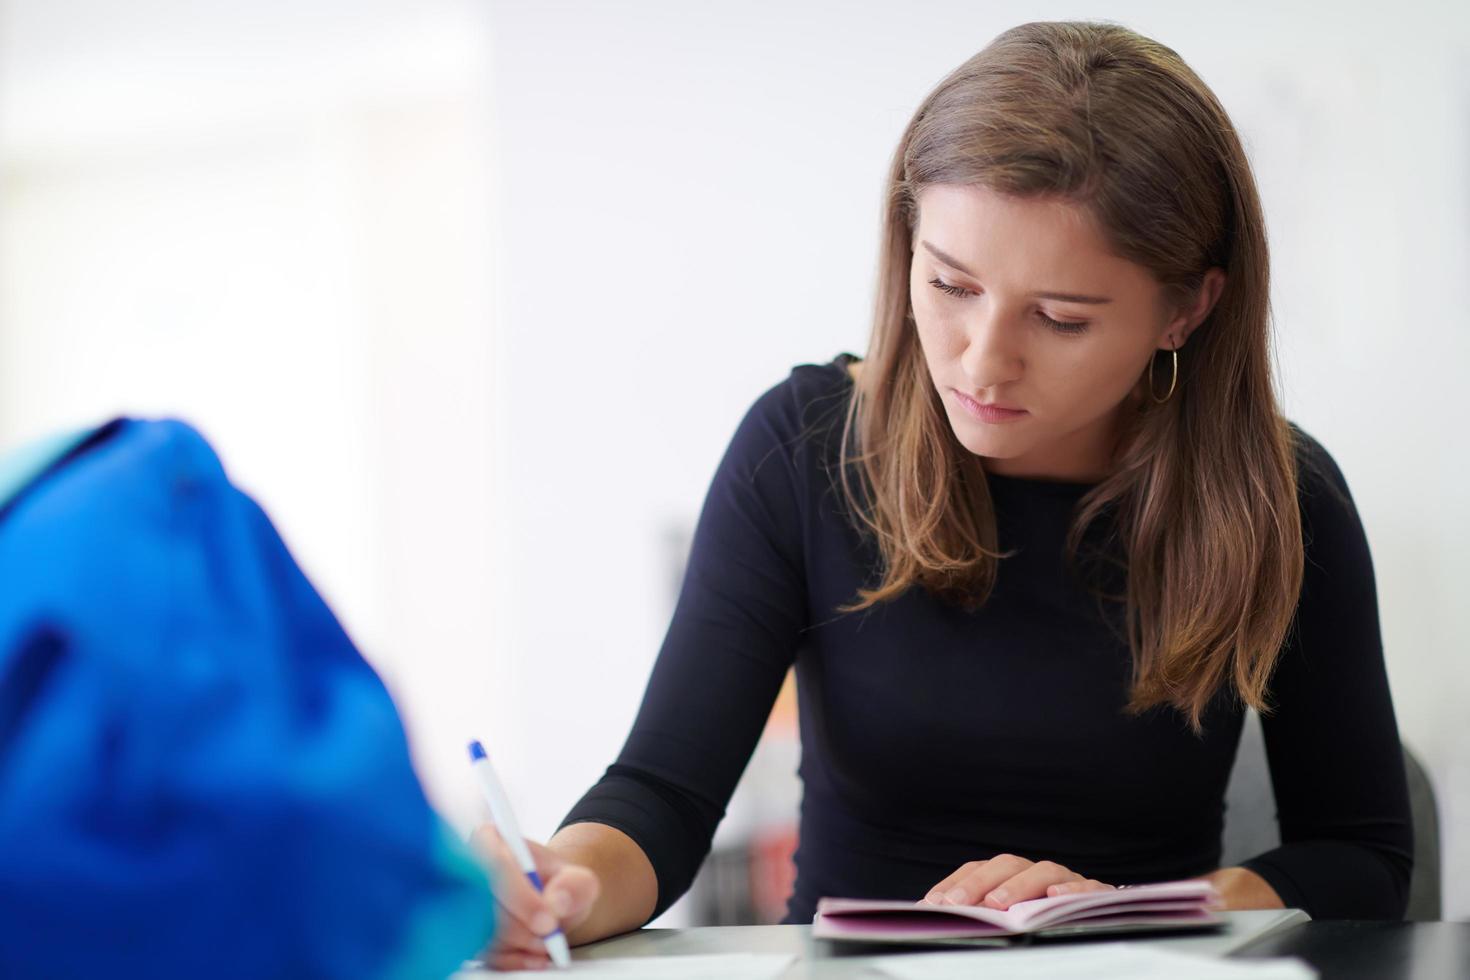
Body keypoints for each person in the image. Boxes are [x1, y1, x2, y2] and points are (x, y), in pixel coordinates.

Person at [471, 20, 1412, 970]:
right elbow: (661, 797)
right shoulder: (804, 449)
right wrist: (565, 883)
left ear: (1186, 309)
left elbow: (1361, 854)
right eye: (951, 285)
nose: (982, 360)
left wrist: (1149, 912)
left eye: (1059, 317)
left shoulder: (1281, 499)